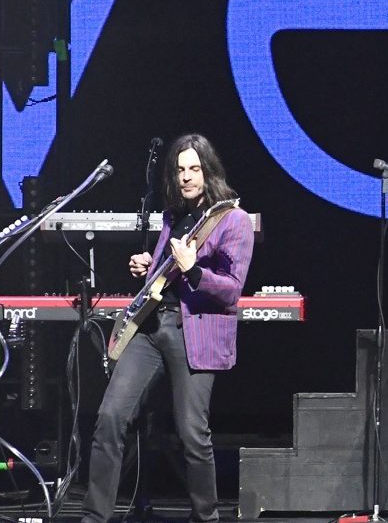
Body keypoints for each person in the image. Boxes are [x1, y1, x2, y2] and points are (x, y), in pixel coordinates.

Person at [81, 134, 254, 523]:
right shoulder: (172, 217)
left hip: (195, 333)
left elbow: (231, 291)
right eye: (179, 170)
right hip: (151, 328)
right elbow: (164, 275)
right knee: (110, 418)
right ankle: (94, 517)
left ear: (209, 172)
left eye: (194, 169)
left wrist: (194, 269)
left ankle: (205, 518)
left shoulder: (233, 220)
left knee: (193, 435)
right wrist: (149, 265)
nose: (186, 178)